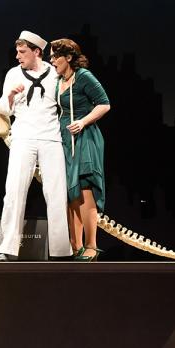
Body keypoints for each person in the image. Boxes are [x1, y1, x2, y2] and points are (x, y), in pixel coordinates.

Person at [0, 31, 72, 262]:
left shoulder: (54, 74)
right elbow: (3, 111)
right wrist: (9, 94)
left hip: (50, 138)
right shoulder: (13, 74)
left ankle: (60, 251)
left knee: (56, 194)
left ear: (36, 52)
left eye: (22, 52)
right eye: (17, 52)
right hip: (23, 138)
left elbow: (65, 102)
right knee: (14, 193)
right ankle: (6, 249)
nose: (18, 56)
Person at [50, 38, 110, 261]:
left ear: (68, 57)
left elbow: (104, 103)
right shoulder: (57, 81)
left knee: (84, 187)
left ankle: (91, 245)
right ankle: (75, 247)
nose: (52, 60)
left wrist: (83, 122)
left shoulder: (84, 76)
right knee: (69, 192)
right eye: (51, 56)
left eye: (56, 56)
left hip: (85, 136)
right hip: (65, 138)